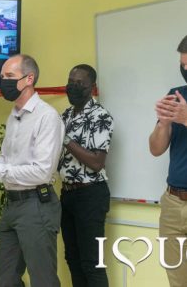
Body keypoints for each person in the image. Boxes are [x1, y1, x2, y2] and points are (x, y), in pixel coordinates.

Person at [0, 54, 64, 287]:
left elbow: (42, 172)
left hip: (36, 205)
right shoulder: (15, 116)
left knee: (43, 280)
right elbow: (9, 161)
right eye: (2, 77)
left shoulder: (47, 117)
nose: (4, 81)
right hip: (12, 204)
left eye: (10, 76)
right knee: (7, 279)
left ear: (29, 78)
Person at [58, 64, 114, 287]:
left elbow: (96, 163)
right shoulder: (66, 115)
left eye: (79, 83)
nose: (73, 87)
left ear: (92, 87)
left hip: (91, 195)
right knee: (72, 259)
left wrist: (65, 139)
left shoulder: (101, 116)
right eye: (71, 82)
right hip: (67, 194)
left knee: (92, 263)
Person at [149, 34, 187, 287]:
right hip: (174, 203)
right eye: (184, 65)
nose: (186, 70)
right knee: (177, 280)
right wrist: (163, 124)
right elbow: (155, 149)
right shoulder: (176, 96)